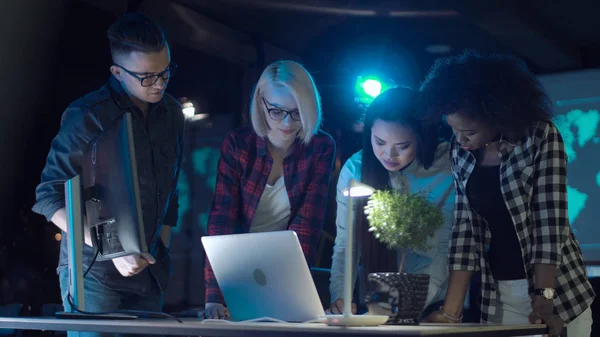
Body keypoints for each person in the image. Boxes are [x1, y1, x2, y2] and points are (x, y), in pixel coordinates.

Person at [420, 50, 595, 337]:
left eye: (469, 132)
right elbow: (465, 232)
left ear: (496, 115)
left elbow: (549, 224)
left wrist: (544, 299)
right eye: (453, 130)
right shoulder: (461, 153)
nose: (460, 140)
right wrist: (451, 313)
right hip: (498, 295)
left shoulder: (540, 136)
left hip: (558, 294)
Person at [32, 12, 184, 337]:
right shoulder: (86, 116)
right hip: (93, 273)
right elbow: (49, 196)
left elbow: (172, 191)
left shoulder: (171, 113)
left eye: (165, 72)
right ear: (117, 71)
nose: (158, 83)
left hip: (151, 273)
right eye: (146, 76)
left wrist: (160, 245)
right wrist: (113, 250)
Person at [203, 60, 336, 319]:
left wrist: (290, 293)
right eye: (277, 111)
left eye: (297, 112)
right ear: (261, 102)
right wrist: (214, 297)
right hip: (235, 268)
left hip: (286, 268)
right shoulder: (238, 145)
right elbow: (221, 222)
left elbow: (306, 229)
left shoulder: (320, 147)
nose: (287, 122)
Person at [327, 86, 455, 316]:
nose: (389, 155)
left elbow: (444, 251)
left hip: (435, 302)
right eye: (379, 142)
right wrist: (341, 296)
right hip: (377, 296)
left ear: (423, 136)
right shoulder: (355, 170)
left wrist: (402, 305)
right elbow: (346, 244)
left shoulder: (445, 166)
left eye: (402, 146)